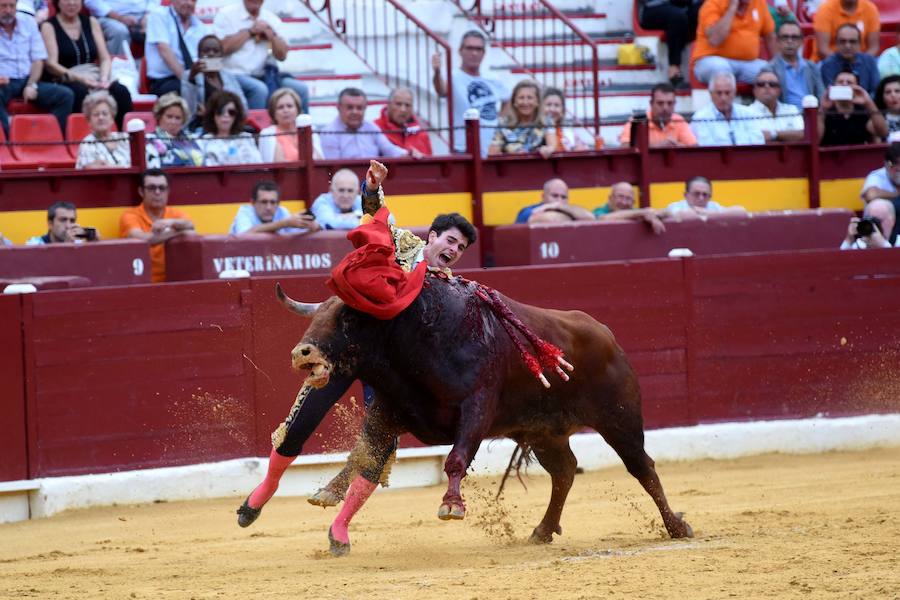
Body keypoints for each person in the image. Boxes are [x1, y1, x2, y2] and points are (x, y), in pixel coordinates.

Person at [236, 161, 479, 546]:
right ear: (431, 237)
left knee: (382, 442)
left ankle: (342, 524)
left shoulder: (452, 291)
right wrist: (371, 186)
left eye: (461, 248)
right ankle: (267, 486)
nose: (453, 250)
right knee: (303, 419)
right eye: (449, 240)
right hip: (351, 349)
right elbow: (375, 218)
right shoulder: (404, 244)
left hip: (393, 370)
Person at [39, 0, 132, 130]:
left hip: (93, 73)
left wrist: (104, 78)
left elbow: (105, 58)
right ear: (57, 3)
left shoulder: (91, 22)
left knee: (121, 91)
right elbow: (51, 64)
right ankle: (81, 137)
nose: (71, 3)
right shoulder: (49, 26)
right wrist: (80, 78)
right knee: (78, 91)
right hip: (66, 75)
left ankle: (125, 138)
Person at [212, 0, 309, 113]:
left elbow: (282, 56)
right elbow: (221, 49)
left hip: (266, 76)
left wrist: (271, 35)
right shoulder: (226, 15)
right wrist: (250, 31)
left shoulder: (271, 19)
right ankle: (257, 129)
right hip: (232, 75)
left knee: (301, 89)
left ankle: (304, 127)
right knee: (259, 89)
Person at [0, 0, 74, 136]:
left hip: (27, 79)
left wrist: (32, 84)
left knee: (65, 95)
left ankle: (50, 138)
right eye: (3, 6)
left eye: (12, 6)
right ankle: (7, 142)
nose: (8, 10)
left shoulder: (28, 22)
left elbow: (38, 59)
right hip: (3, 82)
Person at [432, 30, 510, 155]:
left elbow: (508, 99)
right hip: (464, 149)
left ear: (484, 53)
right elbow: (441, 89)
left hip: (493, 148)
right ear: (460, 51)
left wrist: (499, 123)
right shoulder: (452, 76)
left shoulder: (493, 77)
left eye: (479, 49)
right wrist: (437, 72)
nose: (474, 53)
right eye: (470, 48)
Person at [119, 168, 194, 283]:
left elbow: (190, 226)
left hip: (174, 282)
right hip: (140, 283)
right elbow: (142, 239)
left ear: (168, 191)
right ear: (141, 191)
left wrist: (170, 223)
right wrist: (179, 231)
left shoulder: (176, 214)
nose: (157, 192)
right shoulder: (130, 215)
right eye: (151, 188)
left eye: (162, 188)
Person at [691, 0, 776, 85]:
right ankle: (724, 97)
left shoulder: (758, 2)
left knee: (772, 74)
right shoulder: (713, 3)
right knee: (720, 68)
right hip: (712, 59)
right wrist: (732, 8)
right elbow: (715, 39)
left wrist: (778, 65)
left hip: (747, 63)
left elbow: (770, 36)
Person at [319, 87, 415, 160]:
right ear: (339, 107)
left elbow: (390, 150)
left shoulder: (372, 128)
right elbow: (334, 168)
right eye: (350, 107)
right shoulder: (329, 132)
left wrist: (409, 153)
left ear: (365, 108)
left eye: (359, 108)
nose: (355, 112)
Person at [143, 0, 207, 98]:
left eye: (193, 0)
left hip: (196, 79)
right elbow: (164, 50)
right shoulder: (159, 16)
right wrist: (187, 82)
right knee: (184, 91)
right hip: (165, 80)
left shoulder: (201, 27)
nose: (189, 3)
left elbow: (211, 59)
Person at [690, 71, 766, 146]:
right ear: (711, 94)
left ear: (734, 92)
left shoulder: (747, 114)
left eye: (727, 93)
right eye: (719, 93)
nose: (723, 98)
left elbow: (758, 144)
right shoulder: (700, 118)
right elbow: (707, 151)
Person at [636, 0, 701, 86]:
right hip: (653, 7)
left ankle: (708, 61)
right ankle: (674, 66)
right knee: (677, 17)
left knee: (706, 10)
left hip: (685, 6)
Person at [488, 79, 556, 158]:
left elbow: (552, 146)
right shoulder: (502, 124)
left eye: (530, 98)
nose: (525, 102)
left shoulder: (546, 121)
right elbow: (492, 153)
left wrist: (547, 149)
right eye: (521, 98)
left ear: (537, 101)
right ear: (514, 102)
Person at [819, 68, 887, 146]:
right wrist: (822, 108)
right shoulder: (825, 110)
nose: (844, 85)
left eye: (849, 82)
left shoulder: (863, 111)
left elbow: (882, 132)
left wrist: (868, 102)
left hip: (859, 156)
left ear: (857, 88)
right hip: (830, 156)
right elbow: (815, 140)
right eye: (840, 82)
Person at [619, 82, 698, 147]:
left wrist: (677, 146)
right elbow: (625, 145)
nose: (665, 108)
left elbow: (695, 148)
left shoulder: (678, 120)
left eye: (670, 103)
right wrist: (657, 147)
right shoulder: (638, 120)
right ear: (651, 104)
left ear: (674, 104)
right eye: (660, 103)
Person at [767, 21, 826, 109]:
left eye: (794, 37)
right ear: (777, 41)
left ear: (801, 41)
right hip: (786, 118)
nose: (789, 41)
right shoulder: (769, 69)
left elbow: (821, 96)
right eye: (785, 37)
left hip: (810, 115)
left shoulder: (811, 67)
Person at [229, 180, 319, 235]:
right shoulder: (245, 212)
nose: (268, 207)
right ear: (253, 203)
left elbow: (294, 236)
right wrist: (283, 224)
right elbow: (243, 236)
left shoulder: (282, 212)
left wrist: (310, 228)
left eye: (273, 202)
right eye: (264, 202)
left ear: (278, 203)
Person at [258, 87, 323, 162]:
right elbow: (279, 165)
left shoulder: (309, 129)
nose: (286, 110)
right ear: (273, 112)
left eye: (289, 106)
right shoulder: (267, 134)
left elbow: (319, 161)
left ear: (297, 109)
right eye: (280, 107)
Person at [200, 90, 261, 166]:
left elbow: (259, 167)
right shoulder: (203, 142)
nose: (226, 115)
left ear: (236, 115)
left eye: (231, 112)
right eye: (220, 111)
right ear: (212, 115)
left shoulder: (246, 138)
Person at [146, 92, 204, 167]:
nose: (173, 122)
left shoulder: (193, 139)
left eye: (178, 118)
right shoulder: (150, 140)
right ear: (159, 116)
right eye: (169, 117)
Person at [747, 66, 805, 142]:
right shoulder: (747, 112)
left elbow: (802, 135)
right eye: (761, 84)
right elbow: (754, 139)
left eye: (772, 84)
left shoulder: (791, 109)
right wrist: (788, 136)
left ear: (779, 90)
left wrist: (773, 134)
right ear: (754, 90)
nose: (767, 86)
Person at [819, 24, 879, 96]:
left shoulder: (869, 61)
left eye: (852, 41)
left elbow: (875, 92)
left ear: (859, 44)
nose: (847, 46)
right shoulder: (828, 65)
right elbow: (830, 94)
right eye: (842, 41)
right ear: (836, 43)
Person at [75, 89, 129, 169]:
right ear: (89, 120)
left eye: (105, 113)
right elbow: (88, 170)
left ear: (112, 118)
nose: (101, 117)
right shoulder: (87, 143)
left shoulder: (125, 138)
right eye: (96, 114)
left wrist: (109, 167)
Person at [372, 87, 433, 157]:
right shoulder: (374, 129)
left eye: (407, 105)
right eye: (398, 104)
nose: (403, 109)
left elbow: (431, 164)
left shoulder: (422, 134)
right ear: (388, 105)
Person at [813, 0, 881, 60]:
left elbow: (874, 47)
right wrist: (845, 64)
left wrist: (861, 62)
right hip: (830, 60)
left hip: (861, 61)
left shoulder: (870, 8)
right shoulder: (825, 9)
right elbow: (823, 49)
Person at [83, 0, 156, 56]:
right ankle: (118, 70)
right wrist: (120, 18)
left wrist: (147, 16)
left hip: (144, 14)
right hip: (109, 16)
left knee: (158, 25)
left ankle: (158, 72)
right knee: (120, 31)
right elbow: (91, 1)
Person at [593, 181, 666, 234]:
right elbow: (604, 219)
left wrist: (654, 215)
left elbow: (664, 212)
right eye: (620, 196)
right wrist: (643, 213)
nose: (624, 202)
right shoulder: (599, 211)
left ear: (633, 202)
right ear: (610, 198)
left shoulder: (637, 212)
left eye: (628, 199)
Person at [514, 178, 594, 224]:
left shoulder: (566, 209)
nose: (559, 200)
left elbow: (591, 218)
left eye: (564, 197)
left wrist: (557, 206)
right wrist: (575, 217)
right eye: (555, 196)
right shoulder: (527, 211)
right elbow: (552, 220)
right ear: (543, 197)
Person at [663, 175, 748, 217]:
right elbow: (684, 214)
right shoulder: (676, 206)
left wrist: (706, 212)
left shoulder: (713, 206)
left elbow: (742, 211)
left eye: (705, 195)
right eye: (696, 194)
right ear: (686, 195)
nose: (701, 198)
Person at [542, 87, 592, 151]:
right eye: (548, 105)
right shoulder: (536, 130)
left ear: (563, 110)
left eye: (556, 105)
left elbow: (584, 148)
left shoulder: (568, 130)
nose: (552, 109)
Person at [26, 200, 98, 244]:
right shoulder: (34, 244)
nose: (68, 226)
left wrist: (93, 246)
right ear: (50, 224)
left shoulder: (78, 244)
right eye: (63, 220)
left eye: (72, 221)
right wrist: (66, 247)